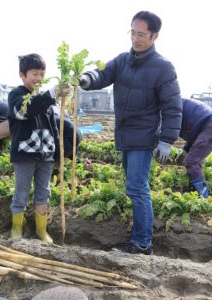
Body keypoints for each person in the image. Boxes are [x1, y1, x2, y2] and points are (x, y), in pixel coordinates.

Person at [79, 11, 182, 254]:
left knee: (137, 187)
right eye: (132, 32)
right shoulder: (122, 60)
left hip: (143, 137)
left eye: (141, 34)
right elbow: (103, 74)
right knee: (133, 187)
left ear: (155, 36)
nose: (135, 39)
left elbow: (172, 107)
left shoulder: (163, 68)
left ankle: (142, 243)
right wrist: (85, 79)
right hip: (125, 135)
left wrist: (166, 140)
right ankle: (140, 239)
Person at [8, 53, 65, 244]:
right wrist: (48, 96)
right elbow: (25, 112)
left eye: (42, 74)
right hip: (24, 154)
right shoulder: (16, 96)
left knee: (43, 192)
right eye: (34, 74)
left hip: (45, 155)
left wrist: (57, 153)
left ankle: (41, 230)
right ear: (22, 75)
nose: (39, 78)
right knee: (22, 192)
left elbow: (54, 128)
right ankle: (17, 228)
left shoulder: (46, 102)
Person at [175, 98, 212, 198]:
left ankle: (204, 198)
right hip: (205, 125)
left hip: (209, 124)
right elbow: (195, 135)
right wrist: (185, 150)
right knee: (192, 160)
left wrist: (163, 143)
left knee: (192, 161)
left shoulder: (171, 105)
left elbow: (169, 128)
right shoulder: (174, 102)